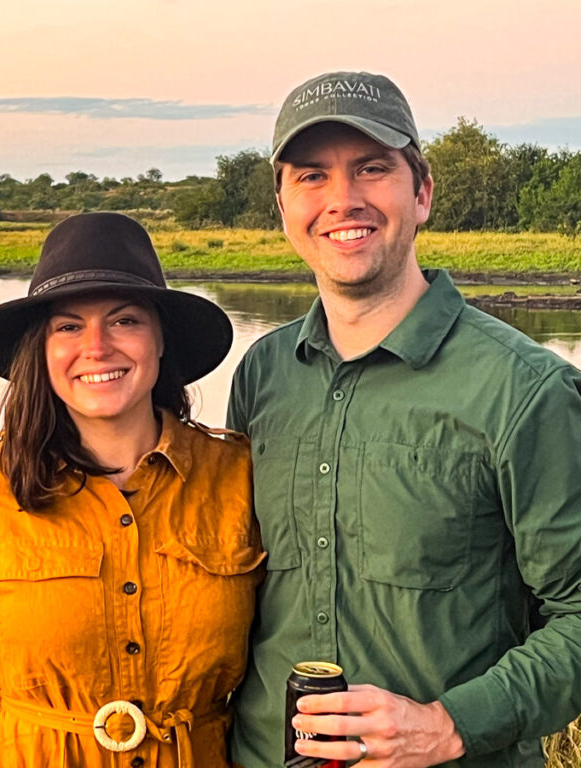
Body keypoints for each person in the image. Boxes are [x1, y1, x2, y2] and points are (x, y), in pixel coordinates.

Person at [226, 70, 581, 768]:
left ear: (420, 191)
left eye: (371, 169)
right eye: (311, 177)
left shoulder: (526, 390)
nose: (342, 200)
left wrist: (448, 724)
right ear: (282, 203)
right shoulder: (262, 375)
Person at [0, 212, 264, 768]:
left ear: (161, 339)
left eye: (124, 322)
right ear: (41, 351)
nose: (96, 347)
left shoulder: (238, 473)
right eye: (68, 327)